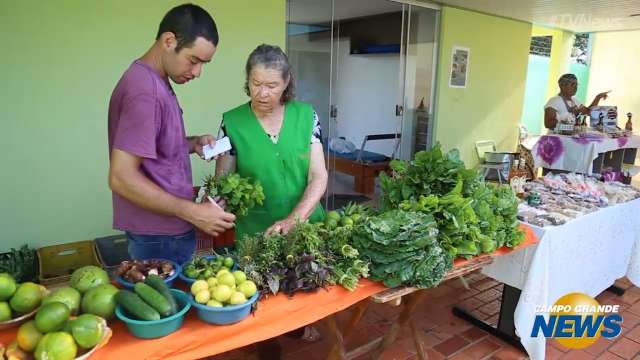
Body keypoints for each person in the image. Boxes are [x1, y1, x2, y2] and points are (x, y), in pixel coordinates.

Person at [108, 4, 235, 264]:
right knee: (169, 303)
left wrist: (192, 143)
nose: (198, 72)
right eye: (194, 60)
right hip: (158, 236)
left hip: (164, 231)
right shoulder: (146, 91)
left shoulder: (154, 80)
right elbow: (121, 177)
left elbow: (153, 145)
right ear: (169, 41)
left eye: (204, 64)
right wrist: (194, 212)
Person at [215, 44, 327, 240]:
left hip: (308, 229)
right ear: (247, 80)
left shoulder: (307, 117)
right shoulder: (232, 123)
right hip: (257, 235)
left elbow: (318, 176)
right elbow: (224, 183)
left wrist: (294, 219)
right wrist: (217, 202)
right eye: (256, 83)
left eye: (272, 86)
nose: (262, 93)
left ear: (286, 82)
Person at [544, 73, 611, 131]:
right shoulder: (554, 101)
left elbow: (588, 112)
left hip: (573, 138)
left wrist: (598, 97)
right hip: (558, 139)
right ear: (562, 86)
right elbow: (548, 124)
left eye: (576, 85)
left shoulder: (575, 100)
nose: (575, 87)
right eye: (572, 84)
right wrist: (566, 118)